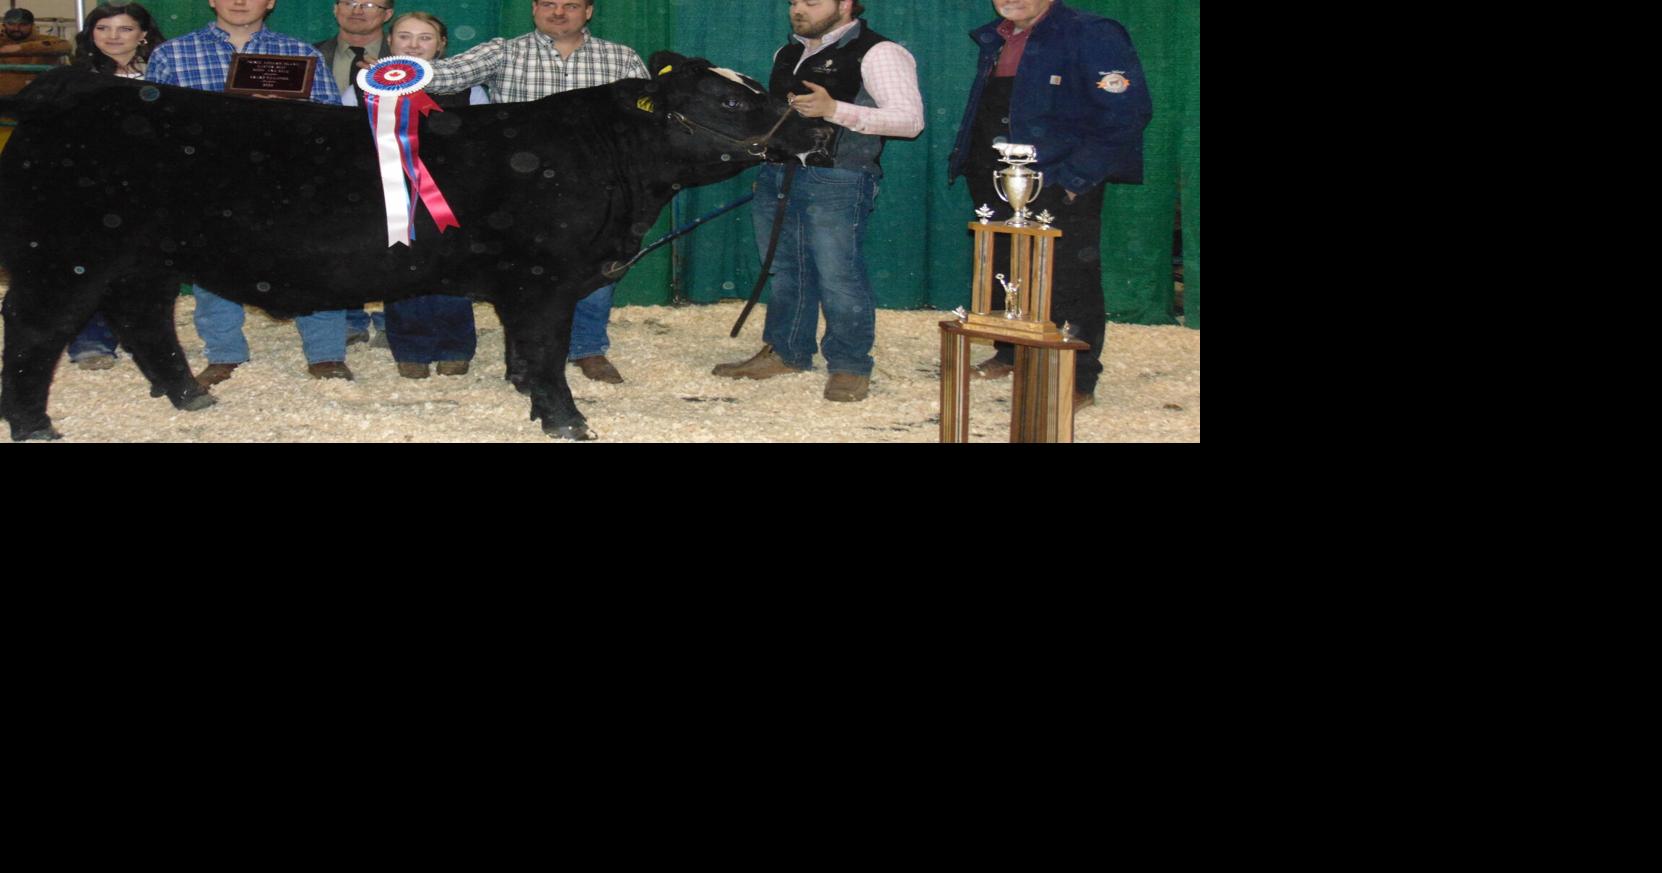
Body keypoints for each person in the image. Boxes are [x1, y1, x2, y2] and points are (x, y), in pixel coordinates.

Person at [421, 0, 648, 385]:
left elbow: (645, 118)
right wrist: (397, 71)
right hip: (517, 187)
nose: (558, 12)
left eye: (570, 4)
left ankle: (588, 348)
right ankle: (524, 354)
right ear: (534, 9)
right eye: (548, 3)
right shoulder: (503, 51)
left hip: (595, 186)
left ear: (589, 11)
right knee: (523, 273)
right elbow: (446, 76)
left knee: (596, 264)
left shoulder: (621, 59)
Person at [711, 0, 923, 403]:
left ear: (845, 4)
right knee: (786, 270)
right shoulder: (787, 53)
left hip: (839, 177)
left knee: (839, 275)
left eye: (811, 1)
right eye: (794, 2)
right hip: (778, 175)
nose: (798, 9)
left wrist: (835, 109)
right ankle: (787, 352)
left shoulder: (880, 52)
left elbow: (910, 120)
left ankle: (849, 365)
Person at [947, 0, 1151, 409]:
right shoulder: (996, 36)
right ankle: (1011, 352)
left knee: (1071, 277)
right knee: (1004, 267)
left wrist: (1077, 179)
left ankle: (1078, 378)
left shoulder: (1092, 33)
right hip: (998, 174)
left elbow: (1127, 112)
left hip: (1060, 176)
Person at [145, 0, 353, 386]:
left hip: (287, 180)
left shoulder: (298, 53)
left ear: (270, 2)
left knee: (312, 261)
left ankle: (326, 354)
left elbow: (331, 118)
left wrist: (286, 113)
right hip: (209, 179)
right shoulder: (172, 53)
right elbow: (154, 123)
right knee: (212, 266)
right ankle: (224, 354)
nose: (239, 2)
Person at [342, 11, 485, 378]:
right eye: (405, 36)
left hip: (449, 197)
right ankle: (411, 347)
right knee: (401, 268)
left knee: (452, 268)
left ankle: (456, 344)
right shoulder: (362, 86)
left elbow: (484, 146)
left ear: (441, 45)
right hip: (387, 195)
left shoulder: (470, 89)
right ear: (390, 42)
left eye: (425, 38)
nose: (414, 45)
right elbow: (344, 141)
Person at [62, 4, 167, 370]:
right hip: (92, 184)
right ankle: (91, 340)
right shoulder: (74, 78)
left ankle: (143, 339)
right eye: (103, 28)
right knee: (92, 264)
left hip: (153, 183)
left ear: (143, 34)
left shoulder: (164, 73)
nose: (112, 36)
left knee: (144, 265)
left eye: (124, 29)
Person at [316, 0, 395, 347]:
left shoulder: (407, 56)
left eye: (370, 3)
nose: (358, 10)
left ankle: (390, 315)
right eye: (349, 2)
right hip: (329, 163)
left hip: (394, 160)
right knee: (338, 240)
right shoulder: (311, 54)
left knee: (395, 235)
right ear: (335, 9)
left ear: (387, 14)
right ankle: (347, 316)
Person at [1, 8, 72, 97]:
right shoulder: (2, 42)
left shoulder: (44, 41)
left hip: (35, 101)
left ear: (32, 25)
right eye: (11, 24)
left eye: (23, 24)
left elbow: (65, 46)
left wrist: (21, 48)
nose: (16, 28)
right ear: (4, 25)